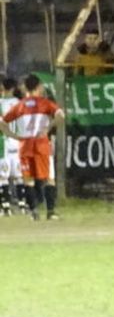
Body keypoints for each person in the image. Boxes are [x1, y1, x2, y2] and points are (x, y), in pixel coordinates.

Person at [1, 74, 65, 220]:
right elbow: (61, 115)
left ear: (26, 88)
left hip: (25, 146)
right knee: (49, 178)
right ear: (39, 87)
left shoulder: (20, 105)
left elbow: (2, 122)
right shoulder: (45, 103)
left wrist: (13, 135)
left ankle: (34, 212)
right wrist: (48, 128)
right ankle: (51, 212)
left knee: (28, 180)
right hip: (41, 145)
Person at [0, 75, 22, 216]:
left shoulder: (0, 103)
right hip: (19, 142)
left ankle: (5, 207)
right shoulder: (20, 103)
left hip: (4, 143)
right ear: (14, 88)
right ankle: (23, 205)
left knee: (3, 177)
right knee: (19, 176)